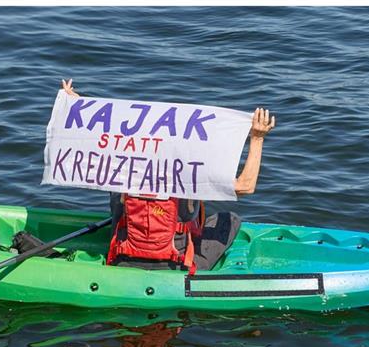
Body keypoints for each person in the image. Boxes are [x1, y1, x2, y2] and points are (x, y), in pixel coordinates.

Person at [60, 79, 275, 272]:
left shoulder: (120, 168)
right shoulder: (190, 176)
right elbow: (246, 186)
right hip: (176, 265)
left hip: (121, 259)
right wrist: (257, 138)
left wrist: (77, 107)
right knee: (230, 218)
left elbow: (89, 144)